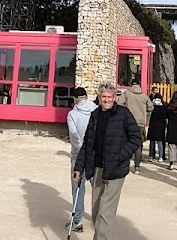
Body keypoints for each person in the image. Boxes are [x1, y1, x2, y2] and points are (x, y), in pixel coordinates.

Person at [73, 84, 142, 240]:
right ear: (99, 97)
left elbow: (136, 138)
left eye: (109, 97)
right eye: (104, 97)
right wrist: (79, 167)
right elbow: (87, 143)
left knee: (106, 212)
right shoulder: (95, 115)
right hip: (97, 168)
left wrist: (121, 155)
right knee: (97, 211)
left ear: (115, 98)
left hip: (116, 169)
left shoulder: (123, 114)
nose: (106, 100)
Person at [66, 87, 97, 233]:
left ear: (75, 99)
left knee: (78, 188)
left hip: (79, 155)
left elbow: (73, 135)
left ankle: (77, 220)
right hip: (95, 154)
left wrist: (80, 151)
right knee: (97, 188)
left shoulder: (72, 114)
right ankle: (99, 220)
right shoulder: (96, 110)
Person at [116, 83, 153, 173]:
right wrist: (146, 113)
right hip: (140, 123)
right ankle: (137, 166)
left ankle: (124, 165)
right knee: (138, 145)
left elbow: (119, 104)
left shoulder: (127, 94)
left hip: (128, 121)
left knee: (126, 143)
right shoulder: (144, 96)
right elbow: (151, 107)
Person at [147, 92, 168, 162]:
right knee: (160, 142)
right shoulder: (163, 106)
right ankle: (161, 156)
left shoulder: (152, 106)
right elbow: (165, 116)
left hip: (153, 125)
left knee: (152, 141)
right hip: (160, 125)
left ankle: (151, 156)